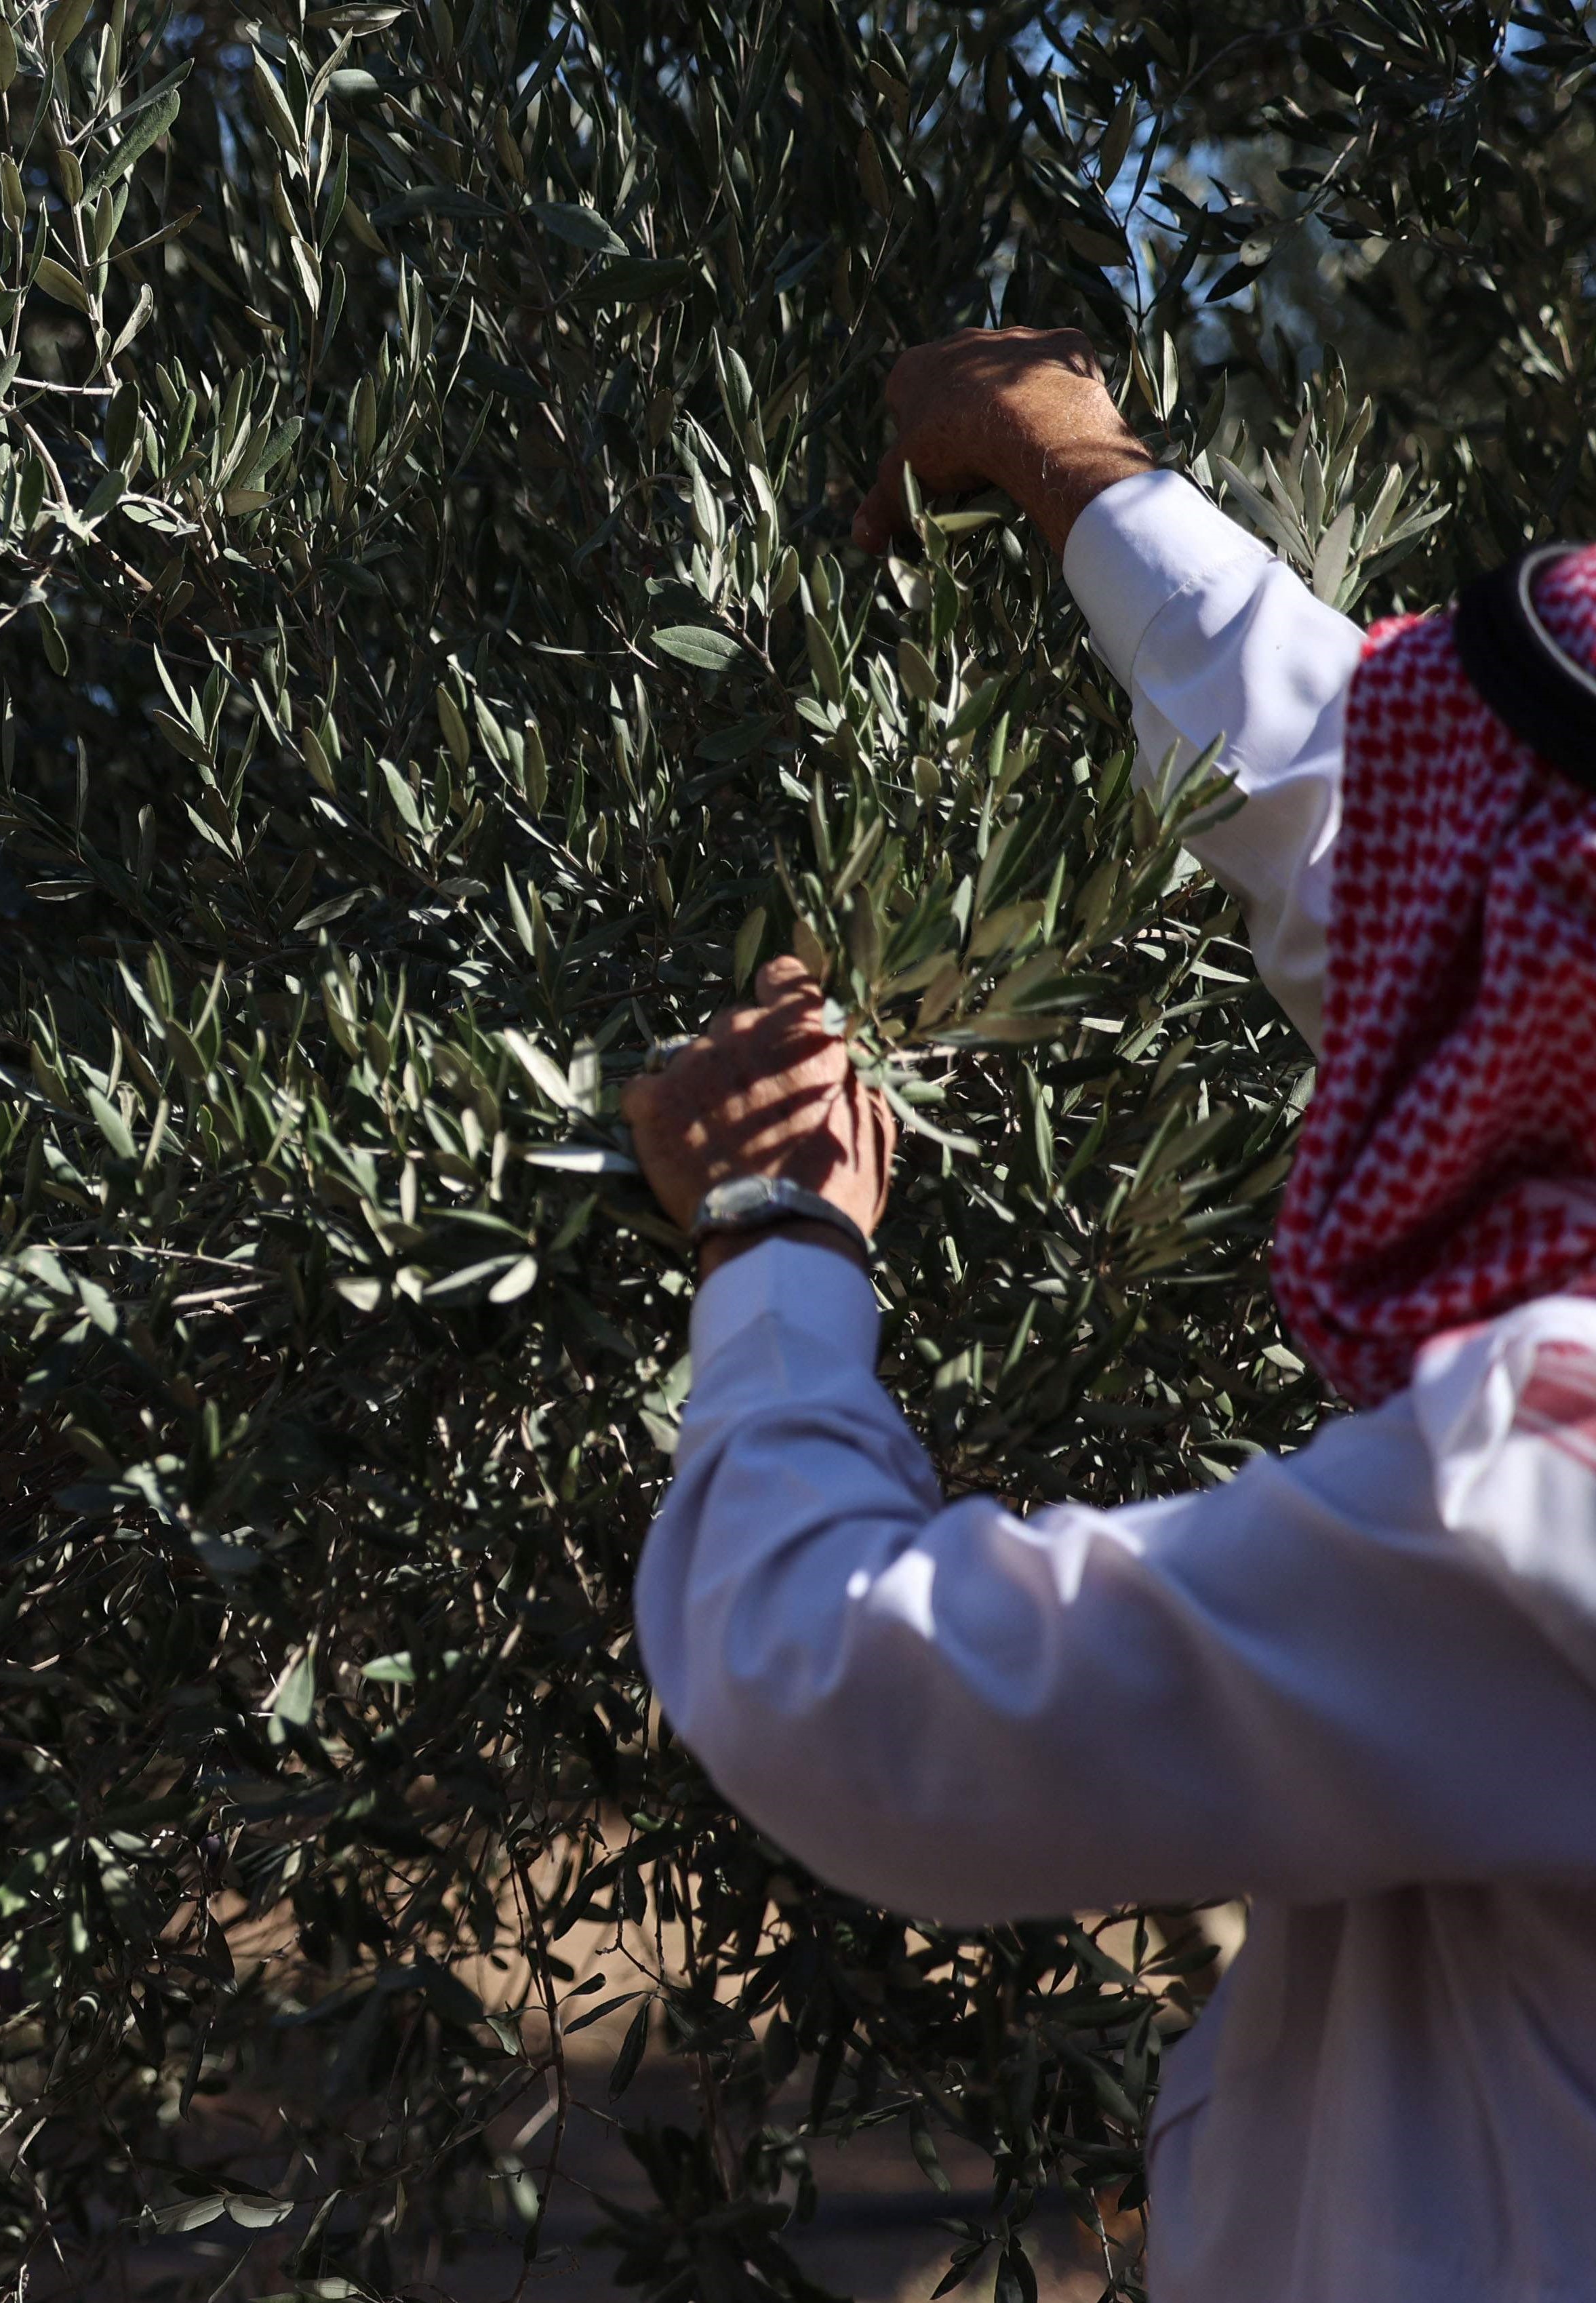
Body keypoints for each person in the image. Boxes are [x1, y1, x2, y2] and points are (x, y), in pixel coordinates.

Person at [624, 329, 1596, 2299]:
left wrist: (769, 1238)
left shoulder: (1542, 1494)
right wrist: (1075, 466)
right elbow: (1385, 827)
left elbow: (846, 1691)